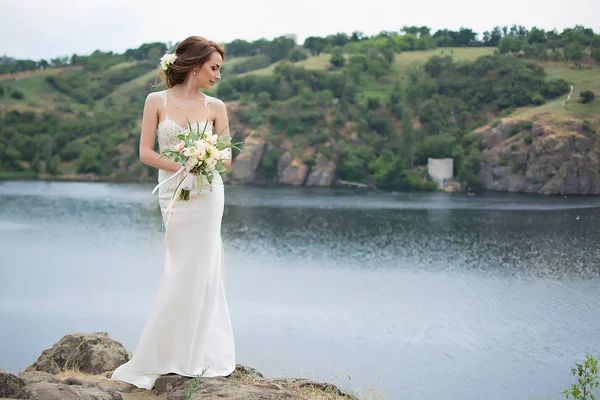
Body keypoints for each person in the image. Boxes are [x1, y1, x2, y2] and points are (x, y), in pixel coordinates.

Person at [111, 36, 235, 390]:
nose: (218, 76)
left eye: (220, 69)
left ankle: (201, 353)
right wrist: (183, 165)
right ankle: (163, 353)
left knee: (205, 267)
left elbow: (225, 158)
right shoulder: (156, 101)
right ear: (195, 66)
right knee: (179, 266)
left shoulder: (216, 107)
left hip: (208, 194)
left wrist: (204, 160)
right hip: (173, 194)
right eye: (214, 68)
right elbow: (146, 153)